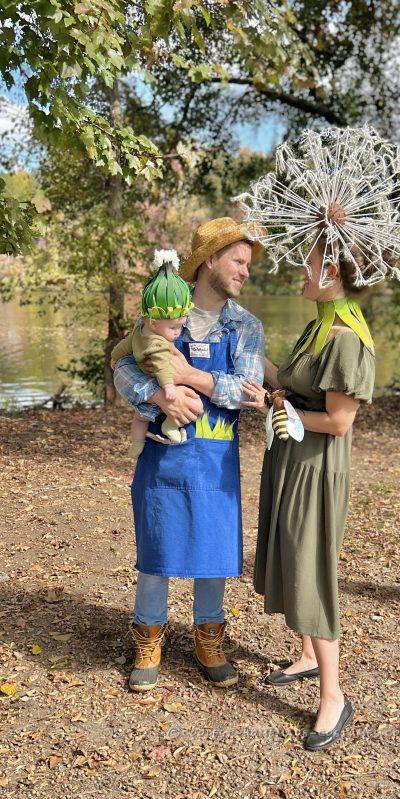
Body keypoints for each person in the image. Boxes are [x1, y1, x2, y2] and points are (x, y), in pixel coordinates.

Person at [236, 126, 400, 750]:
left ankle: (333, 695)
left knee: (313, 568)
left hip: (318, 465)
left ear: (333, 268)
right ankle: (307, 655)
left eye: (308, 261)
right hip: (294, 458)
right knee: (292, 556)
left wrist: (293, 418)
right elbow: (294, 387)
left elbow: (340, 421)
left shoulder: (347, 337)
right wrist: (253, 358)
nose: (299, 269)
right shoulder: (322, 327)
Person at [113, 217, 264, 692]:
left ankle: (209, 637)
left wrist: (193, 379)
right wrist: (159, 398)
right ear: (209, 260)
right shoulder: (163, 311)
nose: (244, 271)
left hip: (216, 458)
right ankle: (149, 636)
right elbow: (121, 366)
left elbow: (250, 392)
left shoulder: (245, 326)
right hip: (163, 452)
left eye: (247, 264)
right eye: (237, 261)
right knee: (157, 547)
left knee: (215, 549)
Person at [111, 250, 193, 458]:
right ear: (155, 323)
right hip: (158, 385)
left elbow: (123, 346)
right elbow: (162, 366)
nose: (178, 332)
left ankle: (136, 445)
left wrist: (113, 358)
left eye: (181, 326)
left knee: (139, 419)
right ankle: (170, 424)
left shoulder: (140, 331)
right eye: (174, 328)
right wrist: (168, 388)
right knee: (194, 402)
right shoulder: (159, 344)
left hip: (144, 383)